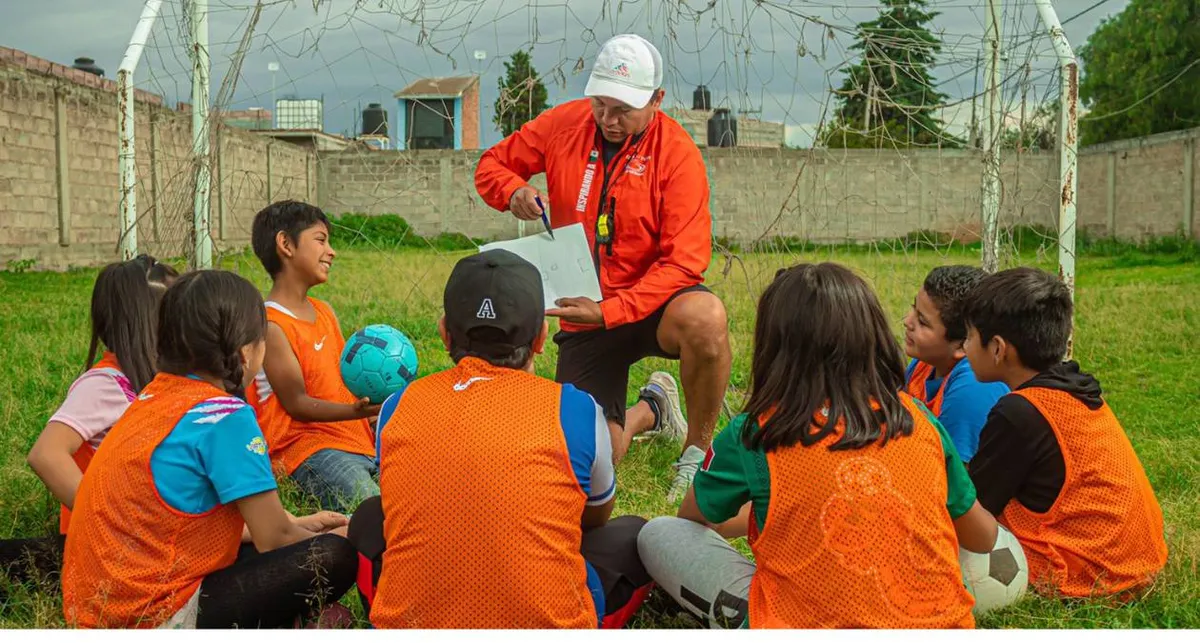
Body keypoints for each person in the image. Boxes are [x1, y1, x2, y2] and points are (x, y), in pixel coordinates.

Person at [638, 263, 998, 629]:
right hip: (943, 626)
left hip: (800, 623)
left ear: (774, 346)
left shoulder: (755, 431)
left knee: (661, 533)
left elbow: (695, 519)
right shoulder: (918, 417)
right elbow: (982, 538)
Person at [475, 33, 732, 501]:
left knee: (706, 318)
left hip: (653, 304)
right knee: (594, 458)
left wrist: (613, 311)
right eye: (601, 105)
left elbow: (685, 263)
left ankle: (697, 454)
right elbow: (491, 164)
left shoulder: (678, 155)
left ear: (657, 100)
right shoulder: (564, 124)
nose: (609, 120)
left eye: (623, 110)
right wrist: (512, 190)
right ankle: (650, 410)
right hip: (584, 311)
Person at [347, 249, 652, 629]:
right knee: (637, 535)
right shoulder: (576, 409)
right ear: (542, 336)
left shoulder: (397, 406)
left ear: (444, 333)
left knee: (369, 516)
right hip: (550, 623)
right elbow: (595, 515)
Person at [60, 270, 357, 629]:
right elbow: (274, 538)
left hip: (98, 607)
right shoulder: (226, 416)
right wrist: (347, 536)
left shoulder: (156, 394)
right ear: (244, 351)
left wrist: (298, 523)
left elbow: (193, 520)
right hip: (154, 614)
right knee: (333, 556)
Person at [963, 267, 1168, 598]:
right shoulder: (1074, 386)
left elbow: (973, 507)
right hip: (1139, 561)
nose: (965, 345)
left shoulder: (1018, 412)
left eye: (969, 336)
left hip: (1090, 575)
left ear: (999, 348)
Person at [1, 255, 177, 589]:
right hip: (109, 546)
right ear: (147, 323)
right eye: (176, 313)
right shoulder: (107, 384)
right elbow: (46, 455)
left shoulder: (155, 383)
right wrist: (109, 523)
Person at [249, 200, 379, 513]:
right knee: (373, 510)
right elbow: (298, 404)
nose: (331, 251)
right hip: (308, 450)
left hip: (359, 441)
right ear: (285, 245)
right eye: (320, 240)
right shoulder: (271, 325)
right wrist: (355, 412)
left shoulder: (325, 312)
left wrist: (374, 412)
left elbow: (345, 378)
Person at [902, 265, 1008, 461]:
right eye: (913, 307)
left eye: (923, 322)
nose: (908, 322)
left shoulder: (975, 384)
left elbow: (957, 478)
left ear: (962, 346)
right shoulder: (923, 364)